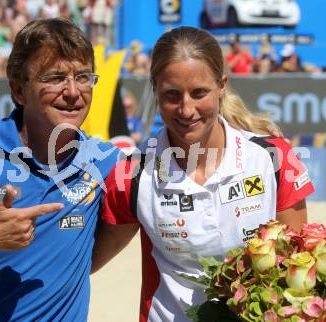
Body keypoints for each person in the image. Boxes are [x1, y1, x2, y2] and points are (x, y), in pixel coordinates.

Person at [92, 26, 314, 322]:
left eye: (199, 93)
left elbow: (299, 269)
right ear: (154, 88)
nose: (186, 109)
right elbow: (84, 263)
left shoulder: (272, 158)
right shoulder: (132, 174)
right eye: (172, 94)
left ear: (222, 85)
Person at [0, 18, 118, 321]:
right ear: (18, 90)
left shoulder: (105, 162)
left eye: (83, 77)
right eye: (54, 78)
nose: (72, 92)